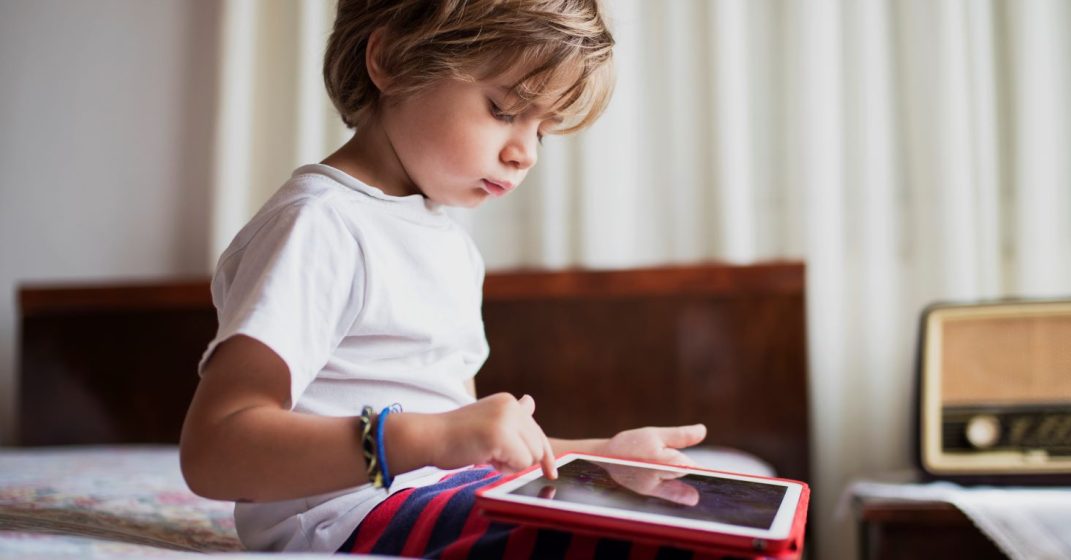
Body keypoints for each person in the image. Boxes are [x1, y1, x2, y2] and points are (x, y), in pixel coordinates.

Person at [178, 0, 709, 557]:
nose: (525, 154)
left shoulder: (448, 244)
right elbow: (216, 448)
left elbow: (475, 449)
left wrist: (602, 456)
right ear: (391, 61)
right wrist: (432, 437)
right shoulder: (320, 225)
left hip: (441, 494)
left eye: (543, 131)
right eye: (504, 110)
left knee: (661, 526)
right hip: (350, 519)